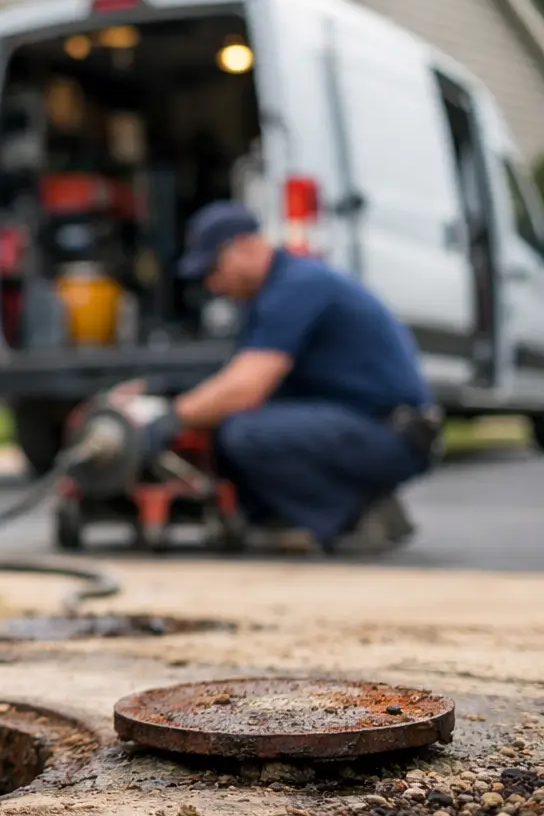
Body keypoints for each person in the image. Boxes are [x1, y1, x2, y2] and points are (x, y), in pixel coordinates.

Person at [126, 201, 440, 555]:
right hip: (368, 426)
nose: (212, 284)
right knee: (231, 425)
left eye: (214, 268)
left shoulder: (298, 286)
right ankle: (283, 518)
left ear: (245, 246)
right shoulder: (275, 292)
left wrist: (170, 418)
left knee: (245, 432)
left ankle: (355, 515)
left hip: (392, 435)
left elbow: (243, 389)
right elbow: (237, 373)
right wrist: (161, 388)